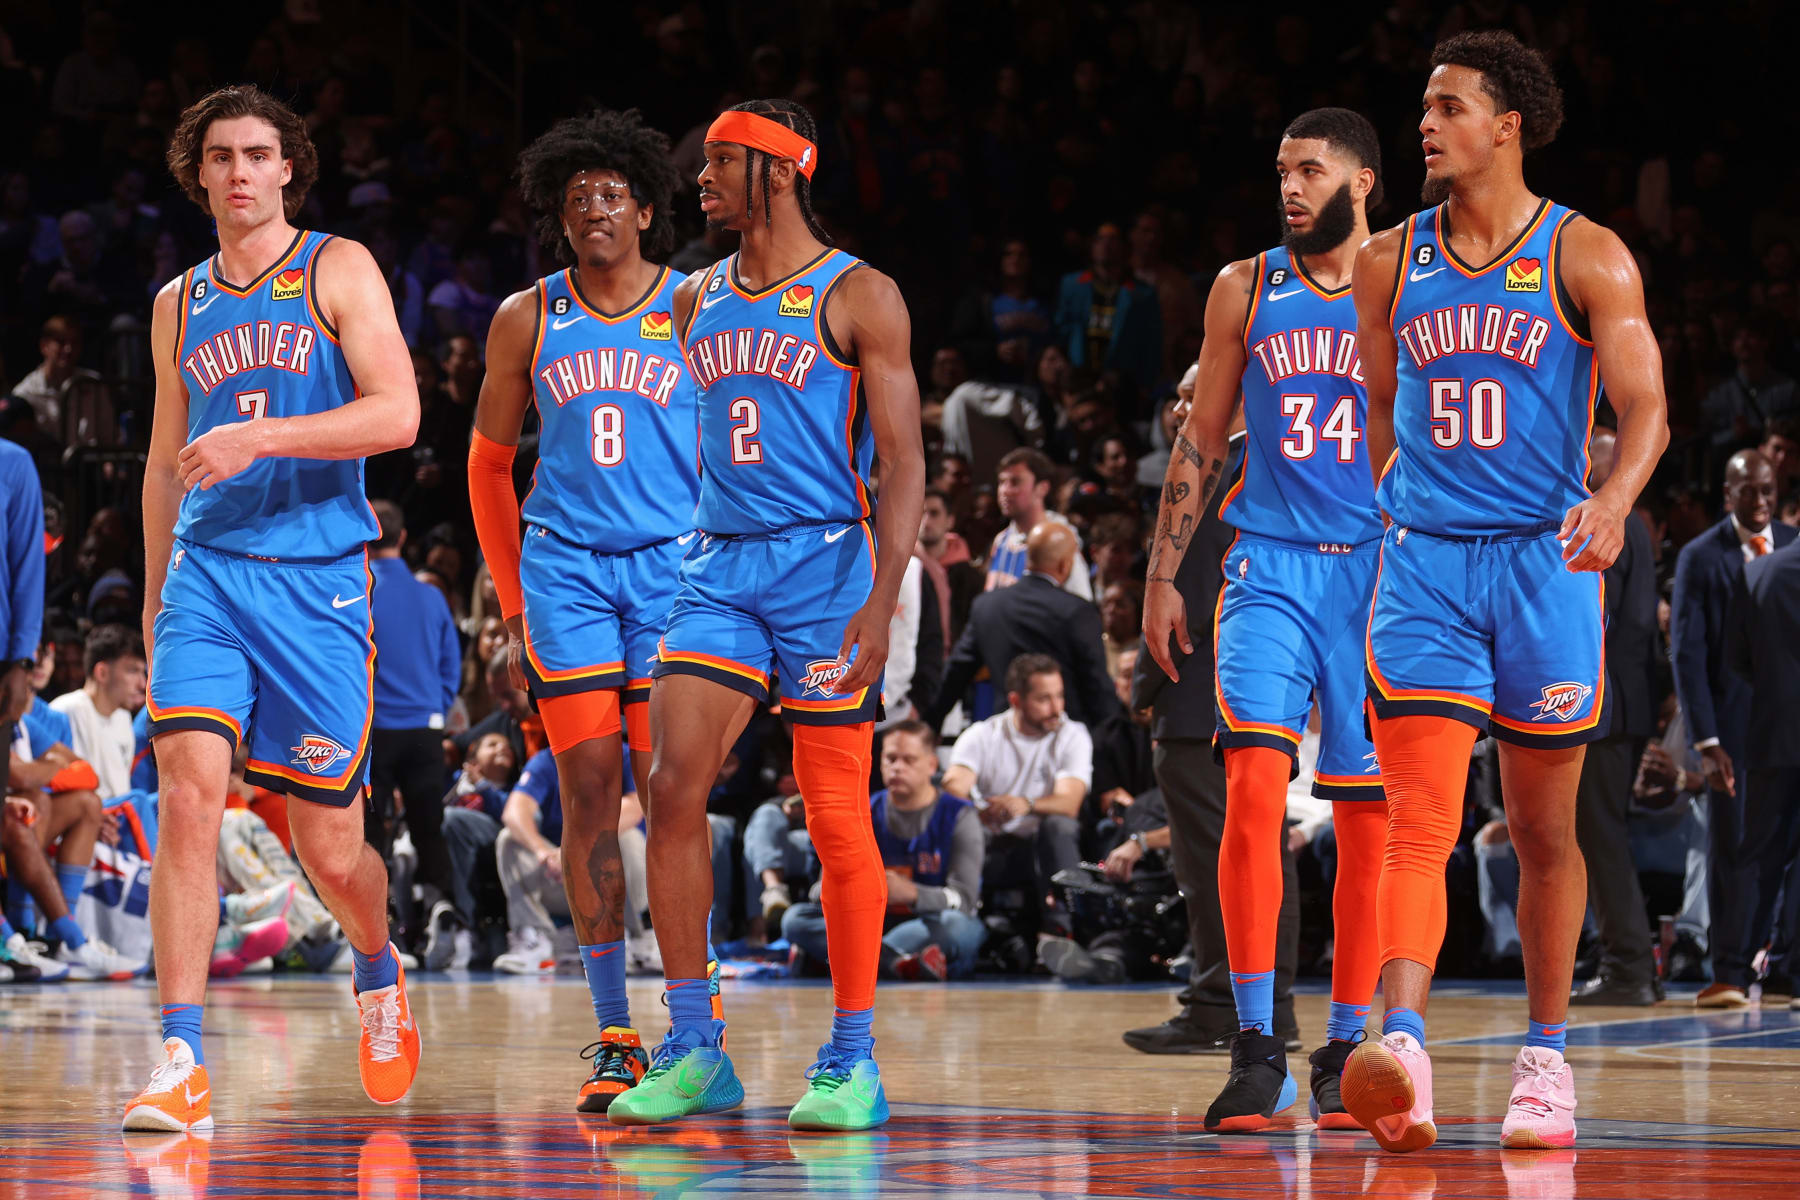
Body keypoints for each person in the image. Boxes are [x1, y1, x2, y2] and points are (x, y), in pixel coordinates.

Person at [1342, 33, 1669, 1153]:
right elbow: (1385, 403)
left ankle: (1545, 1059)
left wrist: (1615, 496)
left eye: (1447, 107)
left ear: (1507, 123)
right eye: (1423, 106)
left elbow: (1648, 412)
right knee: (1419, 823)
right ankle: (1405, 1046)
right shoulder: (1389, 261)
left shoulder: (1590, 255)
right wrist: (1404, 499)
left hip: (1546, 562)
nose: (1424, 125)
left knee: (1540, 830)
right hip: (1428, 562)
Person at [616, 99, 923, 1133]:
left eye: (719, 164)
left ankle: (851, 1058)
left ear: (781, 172)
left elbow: (906, 465)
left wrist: (882, 602)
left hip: (827, 568)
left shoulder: (861, 295)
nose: (698, 182)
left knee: (834, 813)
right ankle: (696, 1043)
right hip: (719, 569)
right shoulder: (695, 298)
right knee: (670, 786)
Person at [125, 84, 423, 1132]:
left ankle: (380, 971)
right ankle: (181, 1058)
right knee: (189, 795)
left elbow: (399, 409)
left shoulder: (335, 268)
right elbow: (165, 463)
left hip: (317, 579)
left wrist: (263, 439)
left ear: (289, 168)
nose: (241, 171)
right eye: (221, 156)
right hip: (209, 574)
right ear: (197, 173)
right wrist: (160, 598)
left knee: (328, 848)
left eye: (259, 154)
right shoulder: (177, 303)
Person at [1142, 108, 1389, 1133]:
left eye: (1309, 171)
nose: (1288, 188)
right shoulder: (1245, 284)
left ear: (1362, 181)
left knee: (1371, 819)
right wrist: (1161, 576)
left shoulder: (1411, 277)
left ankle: (1346, 1045)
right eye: (1280, 171)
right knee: (1248, 786)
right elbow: (1203, 435)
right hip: (1272, 566)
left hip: (1382, 570)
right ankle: (1256, 1045)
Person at [467, 108, 693, 1115]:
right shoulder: (528, 314)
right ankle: (614, 1033)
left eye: (611, 194)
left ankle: (699, 1021)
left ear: (646, 208)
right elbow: (485, 468)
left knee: (676, 796)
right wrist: (515, 600)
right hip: (566, 577)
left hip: (672, 576)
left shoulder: (696, 306)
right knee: (588, 795)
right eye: (575, 200)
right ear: (559, 223)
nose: (594, 210)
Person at [1672, 449, 1795, 1007]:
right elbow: (1687, 654)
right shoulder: (1700, 556)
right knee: (1736, 850)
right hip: (1735, 735)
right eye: (1750, 492)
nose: (1762, 501)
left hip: (1787, 728)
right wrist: (1707, 741)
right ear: (1728, 495)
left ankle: (1786, 968)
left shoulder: (1792, 547)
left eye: (1769, 490)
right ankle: (1729, 969)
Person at [1571, 429, 1663, 1006]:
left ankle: (1629, 966)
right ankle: (1628, 962)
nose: (1584, 472)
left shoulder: (1611, 525)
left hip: (1604, 705)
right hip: (1621, 703)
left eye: (1594, 463)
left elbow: (1604, 628)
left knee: (1599, 836)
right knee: (1598, 834)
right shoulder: (1639, 528)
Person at [784, 721, 985, 980]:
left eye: (909, 760)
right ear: (878, 762)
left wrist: (912, 893)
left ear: (932, 765)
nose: (897, 767)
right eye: (891, 759)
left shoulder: (959, 816)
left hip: (924, 922)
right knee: (795, 918)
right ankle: (897, 963)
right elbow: (821, 889)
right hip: (867, 921)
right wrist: (862, 887)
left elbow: (964, 900)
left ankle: (839, 959)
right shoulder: (859, 811)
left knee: (959, 928)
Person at [365, 499, 461, 953]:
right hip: (425, 728)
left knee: (372, 830)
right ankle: (438, 902)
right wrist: (434, 710)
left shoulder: (356, 591)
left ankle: (377, 919)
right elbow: (451, 666)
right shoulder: (431, 596)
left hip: (374, 731)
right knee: (428, 825)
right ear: (404, 538)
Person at [941, 655, 1091, 942]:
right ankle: (959, 925)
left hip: (1042, 849)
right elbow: (953, 787)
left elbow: (1069, 802)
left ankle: (1061, 932)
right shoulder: (983, 735)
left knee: (1060, 826)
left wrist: (1027, 804)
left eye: (1059, 696)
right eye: (1044, 699)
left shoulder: (1073, 735)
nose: (1056, 707)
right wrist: (978, 811)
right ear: (1016, 700)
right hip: (992, 844)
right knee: (963, 824)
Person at [930, 521, 1116, 728]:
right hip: (1064, 737)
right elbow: (1097, 686)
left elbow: (956, 672)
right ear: (1066, 564)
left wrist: (931, 722)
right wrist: (1110, 738)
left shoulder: (988, 606)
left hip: (1008, 734)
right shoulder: (1078, 611)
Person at [1726, 538, 1800, 1010]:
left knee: (1757, 856)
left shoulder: (1759, 572)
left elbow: (1735, 658)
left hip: (1772, 730)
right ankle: (1789, 968)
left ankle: (1736, 970)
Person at [492, 747, 569, 975]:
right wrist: (543, 851)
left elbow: (634, 808)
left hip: (611, 877)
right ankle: (536, 942)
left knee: (628, 838)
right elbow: (513, 812)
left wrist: (574, 852)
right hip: (561, 875)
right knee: (510, 838)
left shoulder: (623, 755)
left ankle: (636, 936)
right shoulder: (548, 759)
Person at [50, 623, 145, 800]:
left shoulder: (123, 718)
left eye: (143, 673)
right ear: (102, 672)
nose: (142, 684)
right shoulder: (65, 711)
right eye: (133, 671)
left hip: (117, 816)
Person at [984, 448, 1091, 598]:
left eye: (1015, 482)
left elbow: (1080, 607)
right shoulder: (1002, 540)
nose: (1005, 491)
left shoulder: (1060, 542)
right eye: (1002, 482)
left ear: (1042, 488)